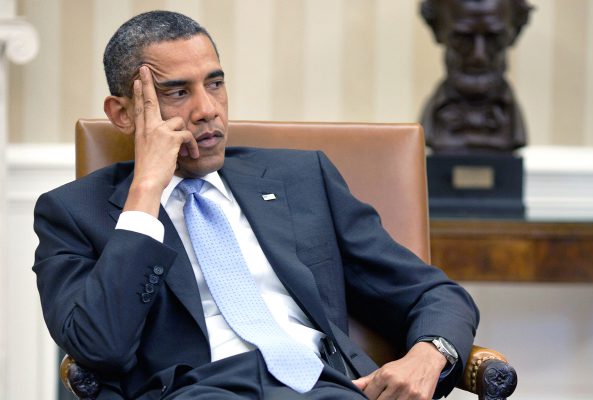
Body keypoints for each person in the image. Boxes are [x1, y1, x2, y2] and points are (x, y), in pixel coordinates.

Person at [33, 11, 479, 400]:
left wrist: (430, 352)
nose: (208, 109)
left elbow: (431, 293)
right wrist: (148, 189)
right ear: (124, 114)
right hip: (196, 390)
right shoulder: (72, 214)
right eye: (177, 92)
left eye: (216, 83)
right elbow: (99, 346)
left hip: (323, 388)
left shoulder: (302, 179)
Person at [420, 0, 533, 153]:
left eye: (493, 38)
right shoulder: (431, 121)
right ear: (437, 30)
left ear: (515, 33)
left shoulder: (511, 121)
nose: (478, 56)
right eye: (463, 38)